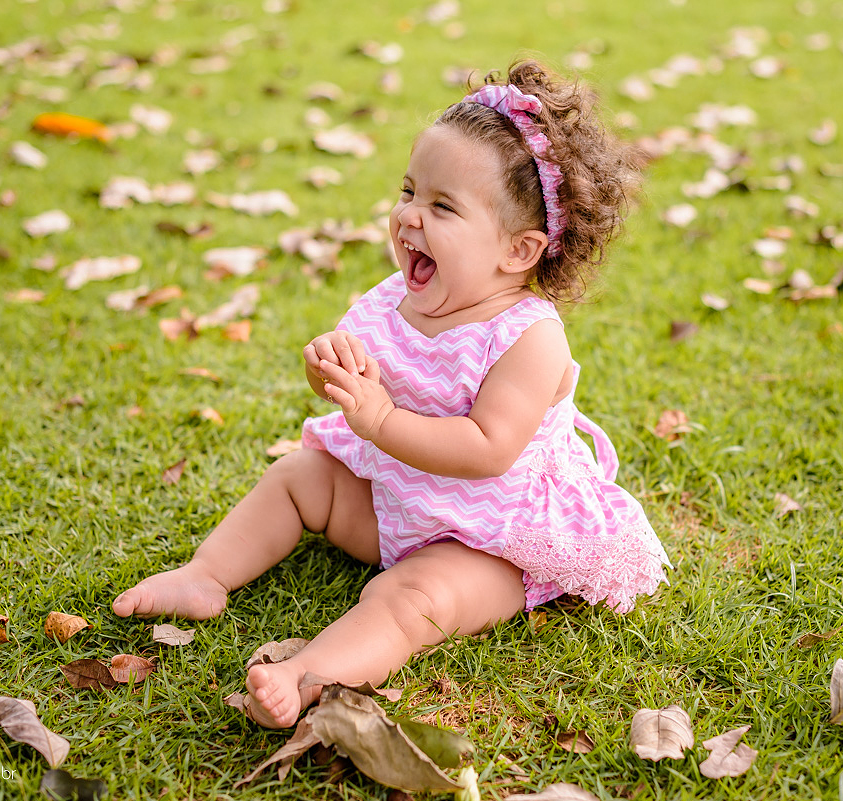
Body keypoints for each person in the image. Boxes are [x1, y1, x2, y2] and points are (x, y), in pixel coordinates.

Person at [112, 59, 671, 728]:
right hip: (396, 497)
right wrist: (330, 370)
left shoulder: (529, 337)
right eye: (409, 191)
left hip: (489, 537)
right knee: (298, 475)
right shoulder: (395, 297)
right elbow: (355, 379)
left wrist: (379, 419)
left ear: (519, 251)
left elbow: (488, 448)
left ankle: (305, 676)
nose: (409, 216)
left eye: (442, 206)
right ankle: (206, 575)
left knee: (409, 597)